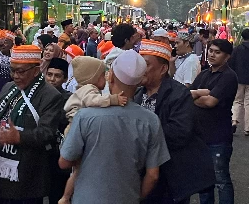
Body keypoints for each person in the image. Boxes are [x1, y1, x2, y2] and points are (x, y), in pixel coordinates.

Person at [59, 50, 170, 204]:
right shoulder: (150, 120)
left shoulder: (85, 116)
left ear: (110, 76)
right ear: (139, 82)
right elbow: (153, 175)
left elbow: (64, 162)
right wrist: (136, 197)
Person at [136, 40, 215, 204]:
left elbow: (179, 133)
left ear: (163, 69)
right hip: (142, 175)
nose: (140, 70)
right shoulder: (136, 94)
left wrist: (140, 135)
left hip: (170, 177)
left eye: (146, 65)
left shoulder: (179, 95)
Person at [0, 45, 65, 204]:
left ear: (36, 70)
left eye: (21, 71)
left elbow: (47, 133)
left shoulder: (50, 95)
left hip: (29, 174)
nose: (15, 76)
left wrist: (18, 136)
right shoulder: (8, 88)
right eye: (12, 70)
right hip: (0, 169)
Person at [190, 39, 239, 204]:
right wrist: (200, 92)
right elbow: (187, 95)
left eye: (217, 52)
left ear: (227, 57)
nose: (212, 54)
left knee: (221, 180)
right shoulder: (204, 74)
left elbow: (211, 102)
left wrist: (196, 96)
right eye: (210, 50)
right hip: (199, 137)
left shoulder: (228, 76)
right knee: (204, 182)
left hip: (219, 137)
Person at [44, 57, 72, 204]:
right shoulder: (37, 95)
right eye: (49, 75)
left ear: (65, 79)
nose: (52, 79)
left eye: (57, 76)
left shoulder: (70, 100)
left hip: (59, 153)